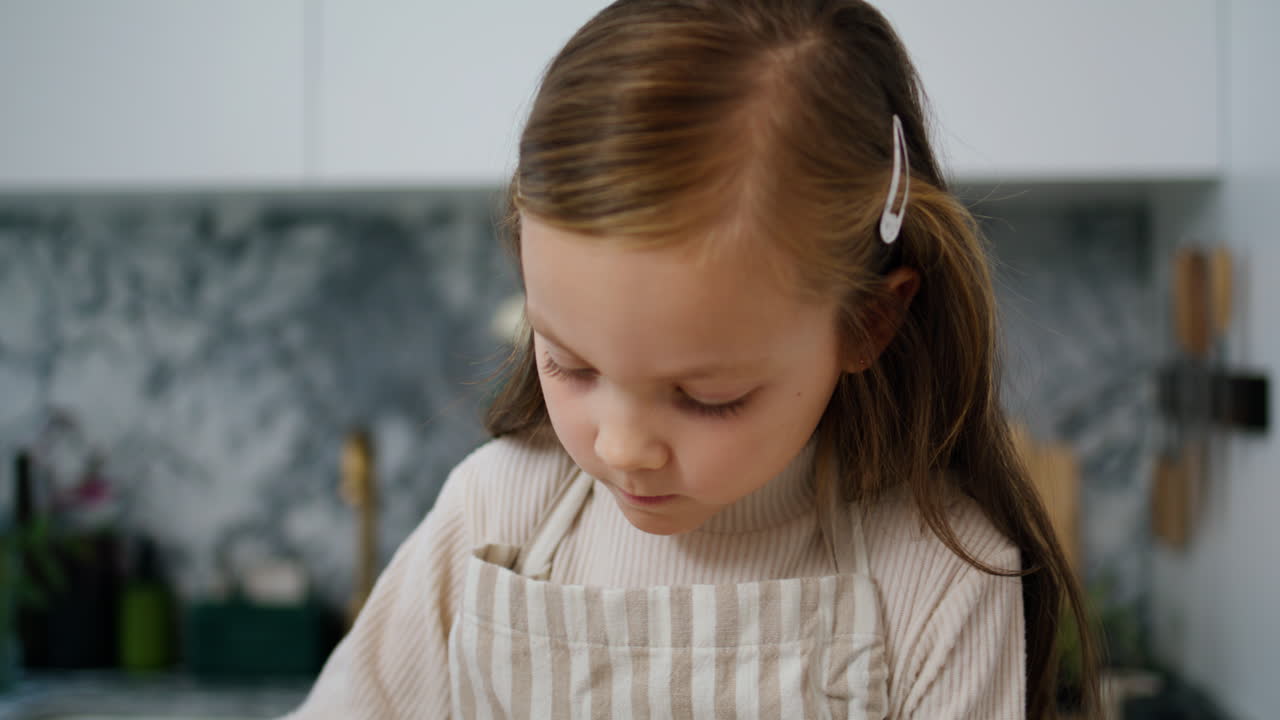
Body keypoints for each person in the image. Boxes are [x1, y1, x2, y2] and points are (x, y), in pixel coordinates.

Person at [284, 0, 1098, 717]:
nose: (623, 446)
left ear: (869, 323)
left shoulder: (944, 580)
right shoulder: (493, 518)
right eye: (568, 363)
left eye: (708, 397)